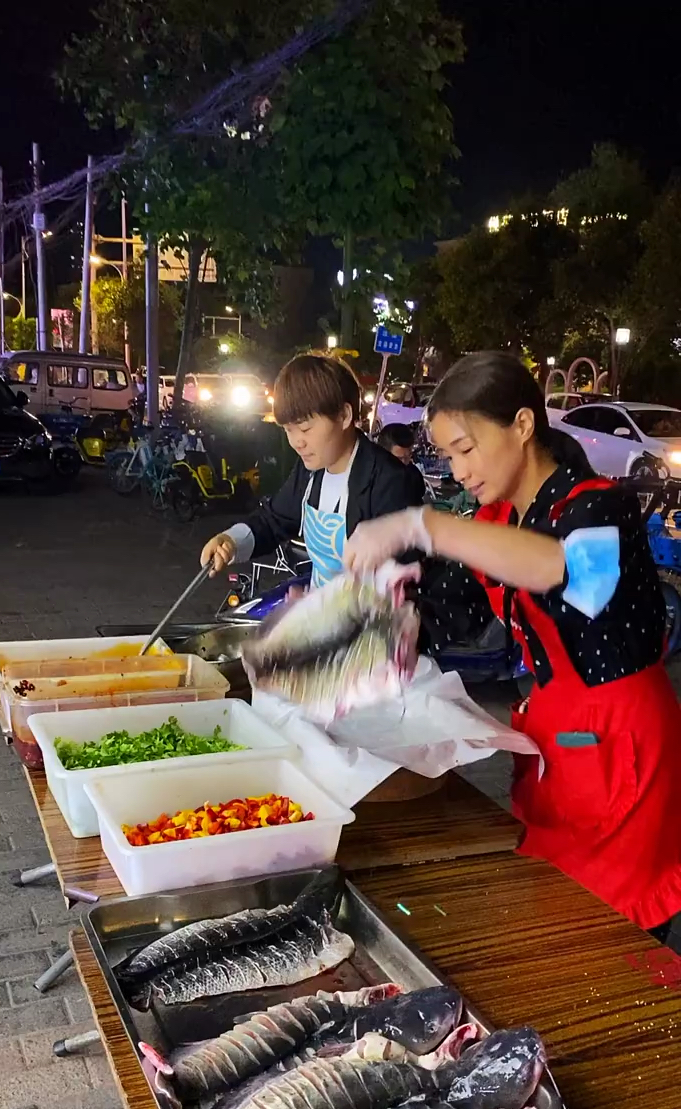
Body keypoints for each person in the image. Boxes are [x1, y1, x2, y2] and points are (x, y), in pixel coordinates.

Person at [343, 350, 681, 941]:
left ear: (523, 425)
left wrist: (425, 524)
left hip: (623, 744)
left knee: (608, 935)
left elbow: (561, 570)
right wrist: (383, 619)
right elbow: (451, 609)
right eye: (448, 454)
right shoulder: (499, 519)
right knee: (549, 915)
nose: (458, 469)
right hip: (556, 741)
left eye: (466, 449)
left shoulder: (601, 505)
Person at [201, 353, 425, 588]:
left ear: (344, 416)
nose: (297, 442)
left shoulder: (389, 482)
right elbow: (273, 519)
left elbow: (403, 580)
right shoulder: (311, 470)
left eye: (305, 429)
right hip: (320, 614)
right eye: (288, 430)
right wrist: (231, 541)